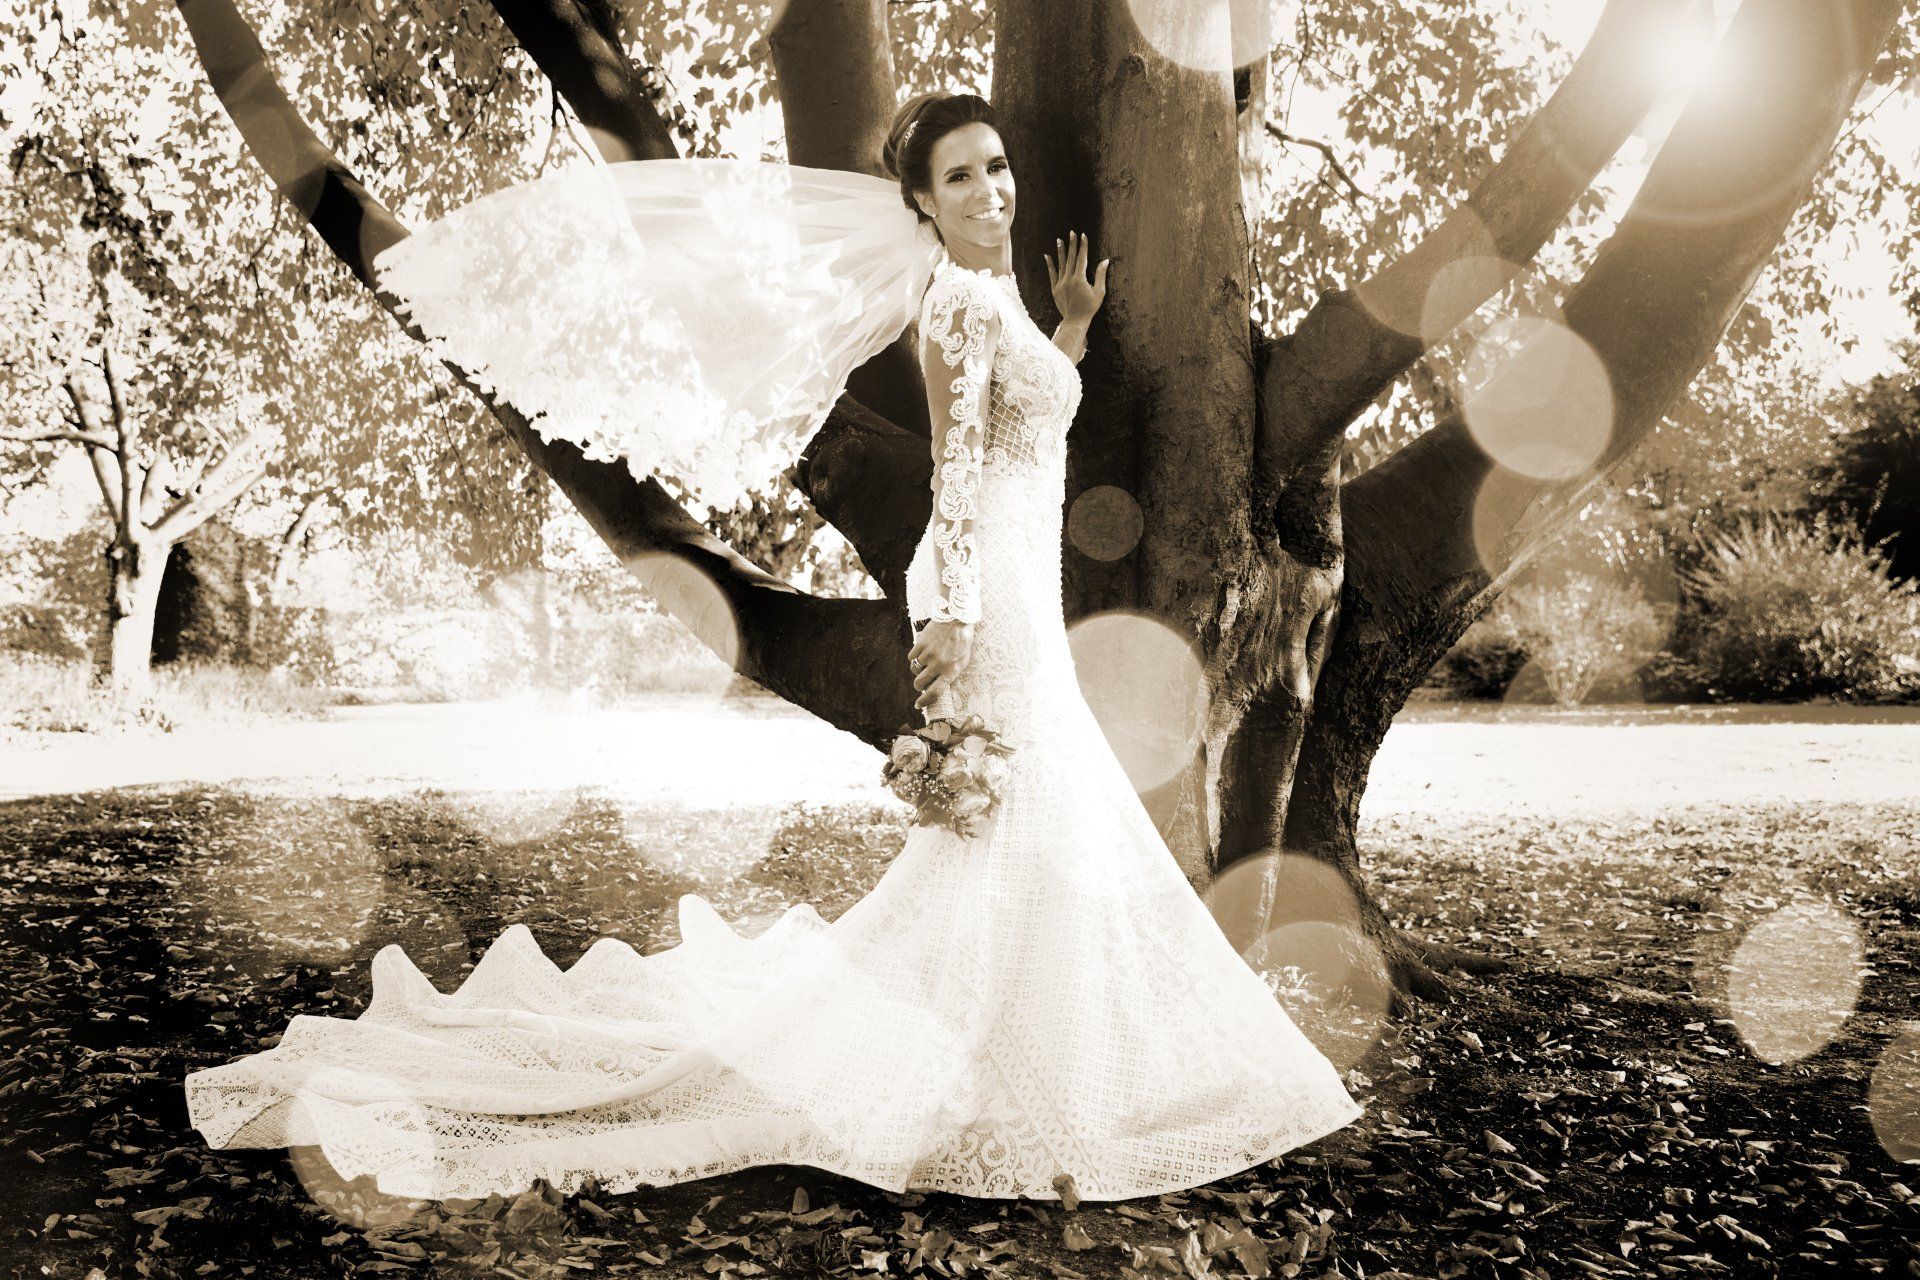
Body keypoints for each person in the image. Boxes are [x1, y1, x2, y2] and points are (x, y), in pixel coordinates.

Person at [182, 91, 1363, 1203]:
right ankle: (994, 1064)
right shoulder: (955, 310)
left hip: (1020, 587)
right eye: (960, 176)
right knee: (1018, 813)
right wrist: (951, 618)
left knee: (1027, 817)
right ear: (922, 202)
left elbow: (1030, 410)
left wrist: (1071, 327)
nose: (991, 190)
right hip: (993, 601)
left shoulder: (994, 299)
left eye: (997, 167)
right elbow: (957, 476)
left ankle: (1022, 1048)